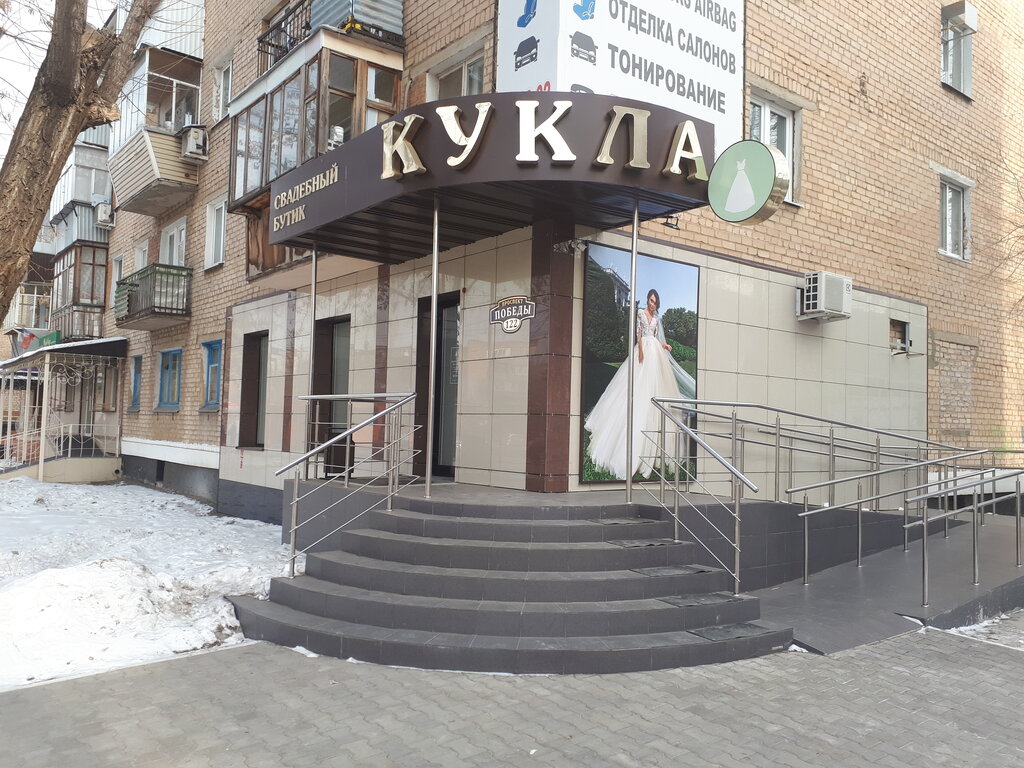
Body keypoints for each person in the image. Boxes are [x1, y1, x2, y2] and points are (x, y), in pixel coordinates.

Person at [585, 289, 696, 479]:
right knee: (636, 385)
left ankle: (656, 444)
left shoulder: (657, 319)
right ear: (647, 300)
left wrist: (665, 345)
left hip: (656, 352)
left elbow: (656, 338)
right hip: (643, 349)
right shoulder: (640, 313)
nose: (653, 304)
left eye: (655, 302)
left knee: (656, 385)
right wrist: (641, 351)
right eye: (651, 301)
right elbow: (639, 334)